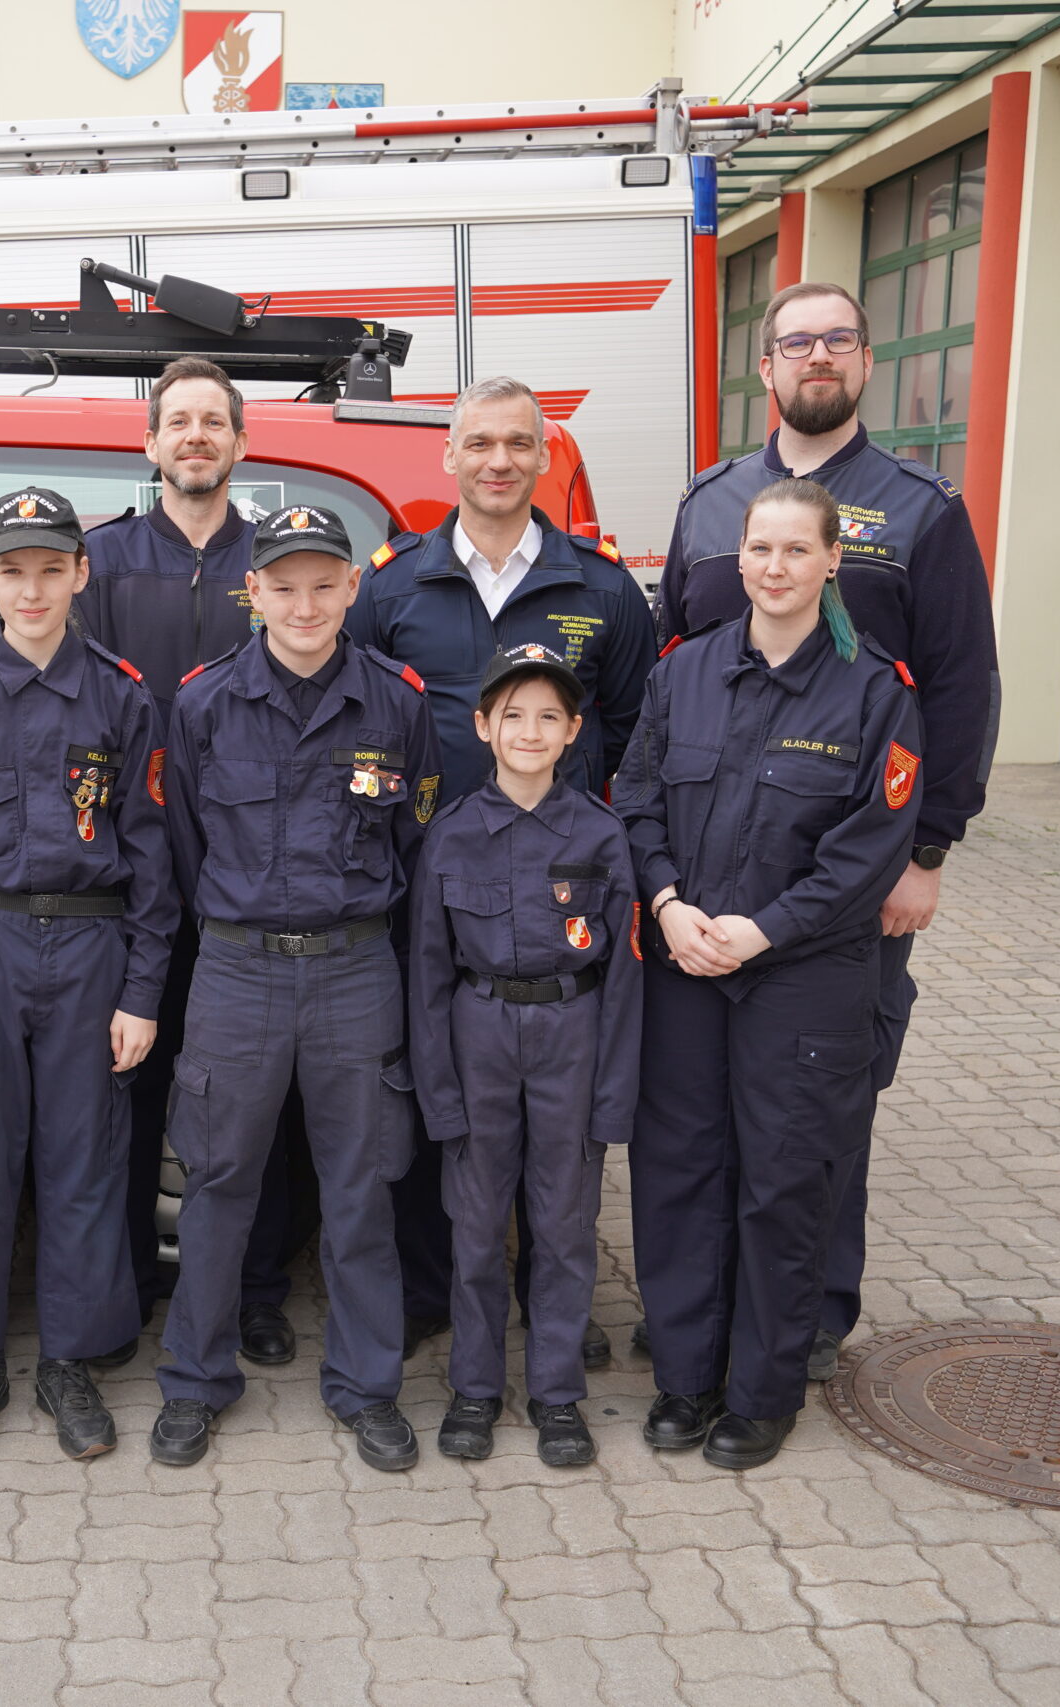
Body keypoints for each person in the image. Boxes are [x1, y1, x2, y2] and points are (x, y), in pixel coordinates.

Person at [653, 280, 998, 1379]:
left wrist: (928, 850)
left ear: (861, 360)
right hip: (707, 866)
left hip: (848, 869)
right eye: (795, 342)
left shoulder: (918, 507)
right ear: (766, 367)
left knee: (818, 1108)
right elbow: (673, 665)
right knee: (704, 1126)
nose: (816, 358)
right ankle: (714, 1332)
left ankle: (803, 1328)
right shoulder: (710, 502)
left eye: (835, 341)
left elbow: (959, 684)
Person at [615, 477, 922, 1472]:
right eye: (760, 550)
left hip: (805, 980)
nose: (776, 569)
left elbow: (867, 850)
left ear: (834, 561)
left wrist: (761, 932)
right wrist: (665, 904)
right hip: (685, 963)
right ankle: (685, 1381)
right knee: (680, 1179)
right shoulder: (683, 672)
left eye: (797, 551)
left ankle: (761, 1395)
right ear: (735, 559)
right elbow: (637, 799)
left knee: (785, 1186)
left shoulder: (877, 692)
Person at [348, 375, 654, 1369]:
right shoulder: (394, 585)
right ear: (449, 456)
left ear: (541, 458)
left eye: (518, 444)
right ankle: (437, 1294)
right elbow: (358, 721)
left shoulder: (600, 586)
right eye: (478, 442)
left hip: (561, 885)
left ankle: (550, 1300)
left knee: (557, 1115)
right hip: (431, 884)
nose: (497, 461)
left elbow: (636, 727)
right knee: (440, 1088)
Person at [151, 503, 440, 1473]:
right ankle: (195, 1380)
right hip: (236, 969)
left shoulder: (397, 703)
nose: (305, 604)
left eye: (325, 584)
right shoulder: (200, 704)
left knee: (361, 1188)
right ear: (253, 594)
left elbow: (417, 846)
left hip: (357, 971)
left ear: (353, 588)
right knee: (218, 1182)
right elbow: (184, 845)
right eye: (284, 585)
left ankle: (366, 1388)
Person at [0, 487, 176, 1459]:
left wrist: (142, 992)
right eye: (12, 570)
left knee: (86, 1158)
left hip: (91, 954)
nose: (32, 587)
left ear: (79, 574)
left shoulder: (121, 695)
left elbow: (152, 860)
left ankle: (72, 1359)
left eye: (50, 567)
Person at [80, 356, 317, 1369]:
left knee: (264, 1106)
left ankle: (258, 1289)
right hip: (131, 890)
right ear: (150, 444)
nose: (194, 437)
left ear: (239, 443)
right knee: (125, 1096)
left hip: (247, 891)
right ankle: (129, 1280)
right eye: (176, 422)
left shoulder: (272, 568)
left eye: (212, 423)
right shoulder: (99, 562)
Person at [407, 643, 640, 1468]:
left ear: (574, 730)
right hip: (479, 1036)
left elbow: (623, 979)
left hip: (569, 1038)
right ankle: (475, 1386)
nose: (530, 730)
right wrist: (438, 1092)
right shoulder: (451, 835)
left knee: (565, 1223)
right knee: (474, 1226)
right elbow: (428, 972)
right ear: (483, 726)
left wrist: (612, 1100)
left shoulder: (602, 835)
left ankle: (556, 1391)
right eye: (513, 714)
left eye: (549, 715)